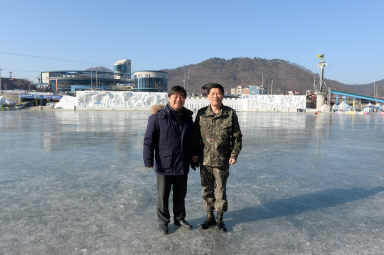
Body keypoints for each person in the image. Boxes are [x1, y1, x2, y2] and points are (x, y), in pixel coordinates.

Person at [143, 86, 194, 235]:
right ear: (169, 98)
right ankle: (163, 222)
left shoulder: (187, 117)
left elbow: (191, 140)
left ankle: (180, 218)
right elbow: (148, 140)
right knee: (163, 195)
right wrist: (148, 160)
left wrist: (194, 155)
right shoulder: (157, 118)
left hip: (182, 162)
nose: (178, 99)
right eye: (175, 96)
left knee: (180, 194)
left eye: (182, 96)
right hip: (164, 163)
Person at [192, 83, 242, 232]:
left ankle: (220, 219)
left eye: (218, 93)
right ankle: (209, 217)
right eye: (212, 93)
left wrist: (234, 154)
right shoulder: (201, 114)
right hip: (205, 161)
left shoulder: (230, 114)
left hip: (222, 160)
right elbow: (195, 137)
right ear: (207, 96)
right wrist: (194, 154)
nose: (215, 96)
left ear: (223, 95)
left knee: (220, 191)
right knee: (206, 190)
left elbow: (237, 137)